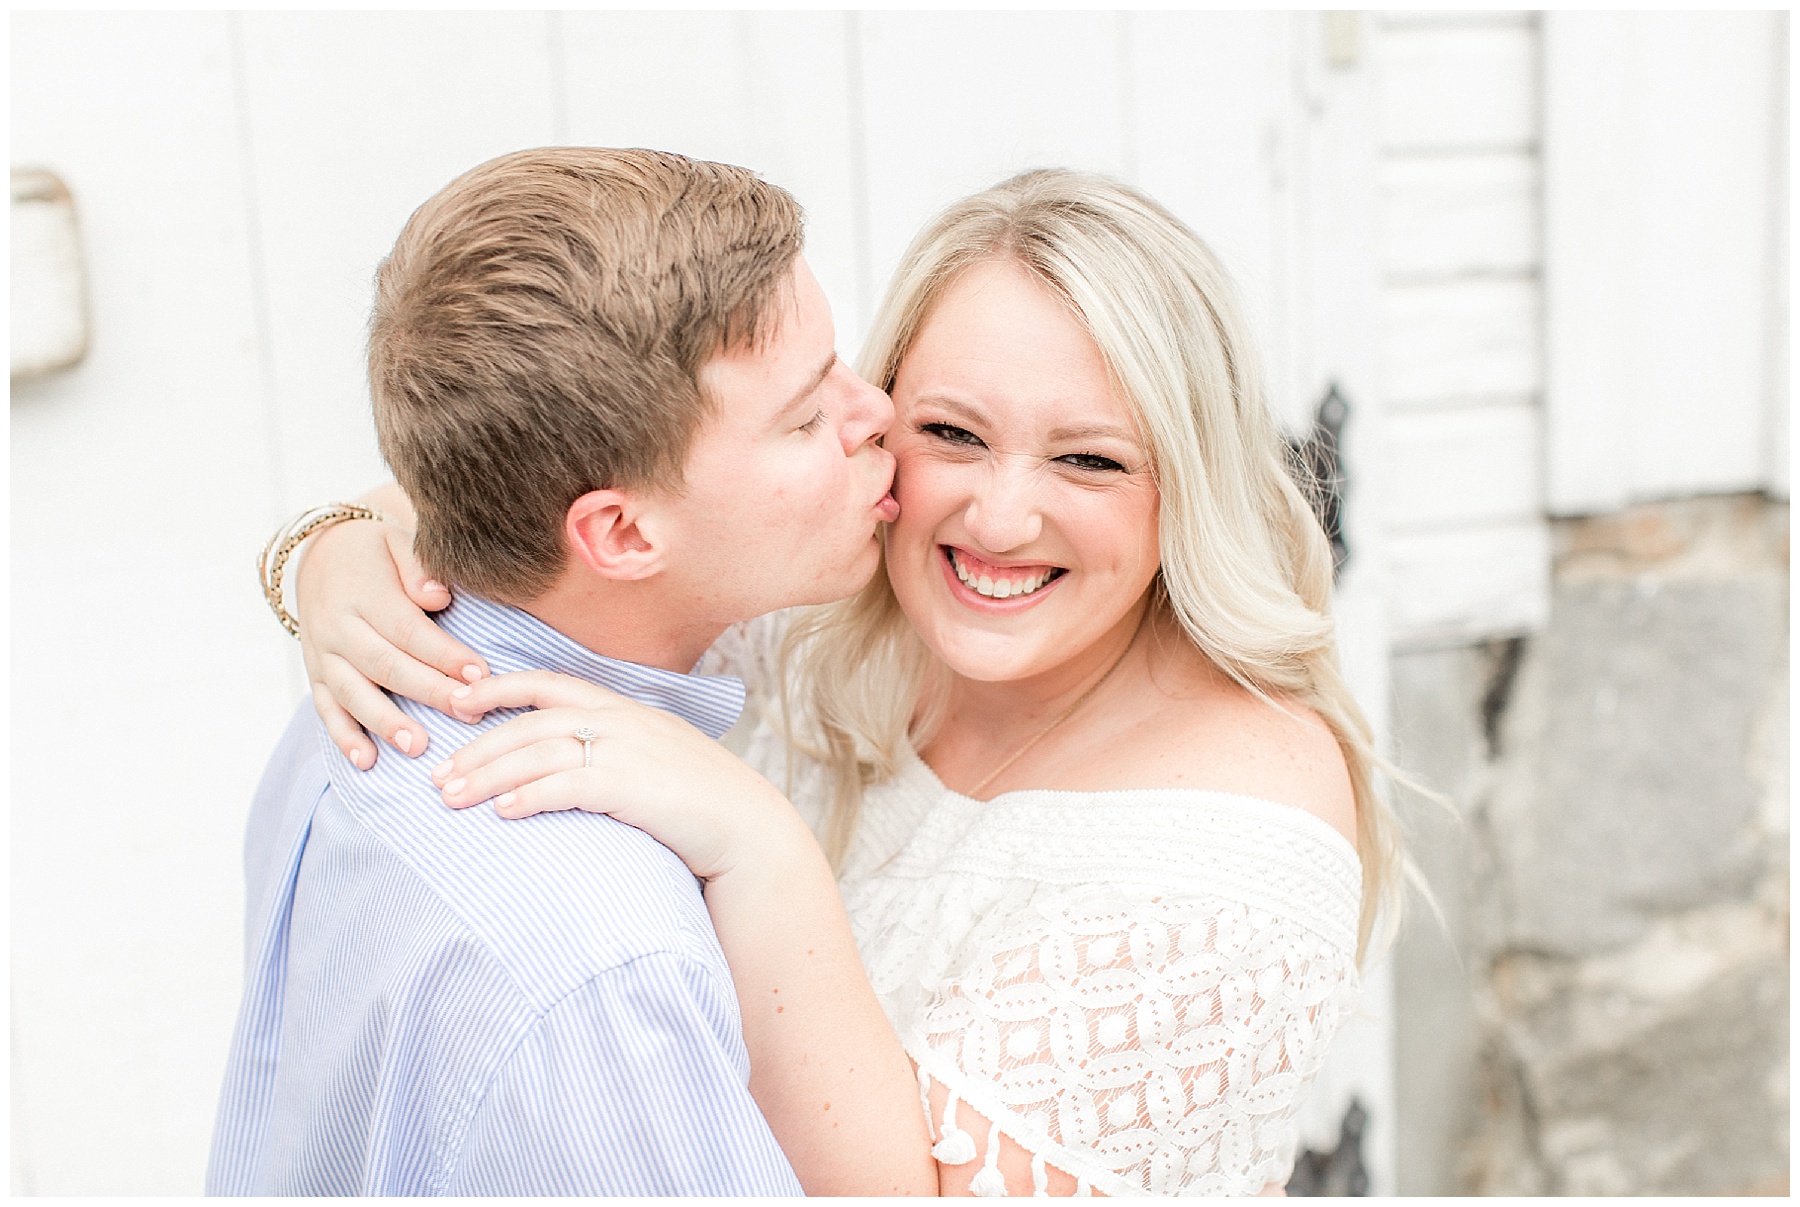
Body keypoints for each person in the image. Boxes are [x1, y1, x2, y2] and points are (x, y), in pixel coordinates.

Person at [295, 168, 1404, 1196]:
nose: (1001, 518)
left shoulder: (1235, 833)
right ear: (883, 418)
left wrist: (761, 844)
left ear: (1190, 482)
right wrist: (338, 549)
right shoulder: (835, 614)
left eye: (1090, 459)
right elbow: (574, 493)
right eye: (952, 433)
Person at [207, 147, 909, 1196]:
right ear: (620, 532)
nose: (878, 414)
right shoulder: (609, 968)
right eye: (806, 418)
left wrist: (332, 535)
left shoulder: (351, 703)